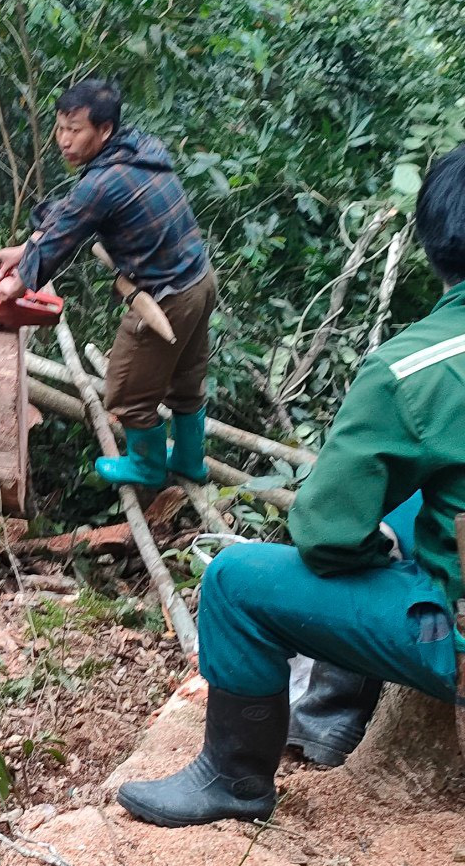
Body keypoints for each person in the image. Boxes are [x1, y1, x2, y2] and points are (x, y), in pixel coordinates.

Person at [116, 142, 465, 828]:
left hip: (446, 639)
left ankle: (235, 779)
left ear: (431, 242)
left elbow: (326, 533)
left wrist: (380, 550)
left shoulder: (413, 368)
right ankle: (331, 722)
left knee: (238, 582)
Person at [0, 79, 216, 489]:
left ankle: (147, 466)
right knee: (187, 379)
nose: (63, 140)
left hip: (165, 298)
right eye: (60, 128)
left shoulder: (102, 183)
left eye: (74, 130)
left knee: (126, 389)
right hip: (199, 281)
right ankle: (188, 459)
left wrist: (17, 284)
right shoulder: (140, 151)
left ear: (105, 130)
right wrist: (25, 249)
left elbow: (70, 228)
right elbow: (74, 213)